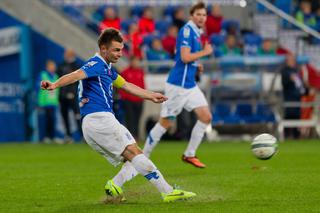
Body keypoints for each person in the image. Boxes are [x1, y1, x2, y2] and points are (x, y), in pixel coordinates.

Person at [40, 28, 195, 202]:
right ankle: (167, 191)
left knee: (134, 158)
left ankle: (115, 184)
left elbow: (126, 85)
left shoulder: (108, 69)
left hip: (95, 123)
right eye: (116, 50)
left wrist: (151, 95)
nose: (120, 54)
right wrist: (54, 84)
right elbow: (76, 75)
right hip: (99, 119)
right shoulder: (96, 64)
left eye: (121, 49)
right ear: (103, 48)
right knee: (136, 153)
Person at [143, 2, 213, 168]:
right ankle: (142, 156)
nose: (201, 18)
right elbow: (184, 57)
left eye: (204, 15)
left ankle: (189, 154)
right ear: (191, 16)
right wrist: (204, 53)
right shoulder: (187, 31)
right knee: (165, 122)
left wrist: (197, 66)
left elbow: (186, 59)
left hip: (189, 84)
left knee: (206, 117)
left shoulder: (196, 32)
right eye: (198, 15)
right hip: (178, 86)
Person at [57, 49, 81, 143]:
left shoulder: (76, 66)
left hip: (73, 96)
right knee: (64, 116)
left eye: (67, 54)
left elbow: (77, 80)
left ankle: (82, 135)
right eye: (65, 53)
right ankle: (68, 135)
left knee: (77, 115)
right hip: (62, 96)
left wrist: (72, 92)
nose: (65, 55)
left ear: (72, 54)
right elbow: (58, 79)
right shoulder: (61, 65)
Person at [118, 56, 145, 141]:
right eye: (134, 61)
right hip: (128, 100)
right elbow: (121, 87)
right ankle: (130, 137)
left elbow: (142, 85)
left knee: (138, 119)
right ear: (131, 62)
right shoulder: (125, 72)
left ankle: (137, 136)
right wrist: (124, 98)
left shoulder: (141, 72)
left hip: (139, 100)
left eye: (137, 61)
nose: (136, 63)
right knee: (130, 119)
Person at [281, 54, 305, 139]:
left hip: (297, 98)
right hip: (289, 98)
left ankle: (296, 136)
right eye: (290, 60)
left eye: (293, 60)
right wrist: (290, 79)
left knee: (297, 117)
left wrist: (306, 91)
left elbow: (301, 86)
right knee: (288, 116)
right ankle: (286, 136)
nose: (292, 62)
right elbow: (285, 83)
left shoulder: (296, 71)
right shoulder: (285, 71)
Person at [37, 60, 59, 143]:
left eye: (54, 66)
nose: (53, 68)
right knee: (45, 120)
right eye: (51, 66)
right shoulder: (43, 75)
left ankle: (53, 137)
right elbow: (38, 87)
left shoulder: (56, 76)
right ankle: (46, 137)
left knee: (53, 120)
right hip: (45, 102)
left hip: (53, 102)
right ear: (47, 67)